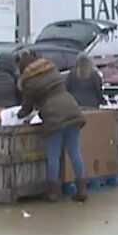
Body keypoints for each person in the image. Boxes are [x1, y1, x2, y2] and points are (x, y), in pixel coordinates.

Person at [18, 50, 87, 202]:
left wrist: (17, 115)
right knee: (74, 151)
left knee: (53, 154)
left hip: (54, 116)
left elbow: (27, 108)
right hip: (72, 108)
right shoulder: (52, 70)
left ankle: (53, 193)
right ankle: (82, 189)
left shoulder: (29, 81)